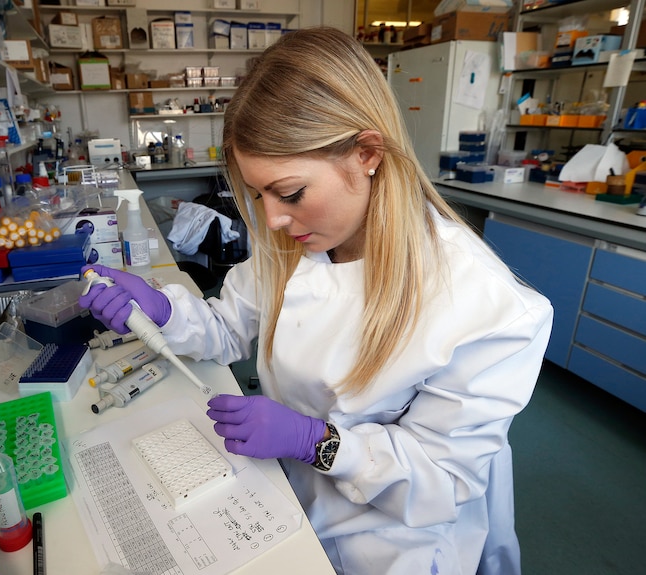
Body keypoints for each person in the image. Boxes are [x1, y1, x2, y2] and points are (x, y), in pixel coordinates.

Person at [79, 27, 553, 575]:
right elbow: (228, 327)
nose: (273, 219)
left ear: (368, 153)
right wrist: (161, 311)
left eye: (291, 193)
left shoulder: (487, 307)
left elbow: (441, 480)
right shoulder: (297, 240)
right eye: (258, 194)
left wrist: (318, 442)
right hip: (284, 489)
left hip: (393, 537)